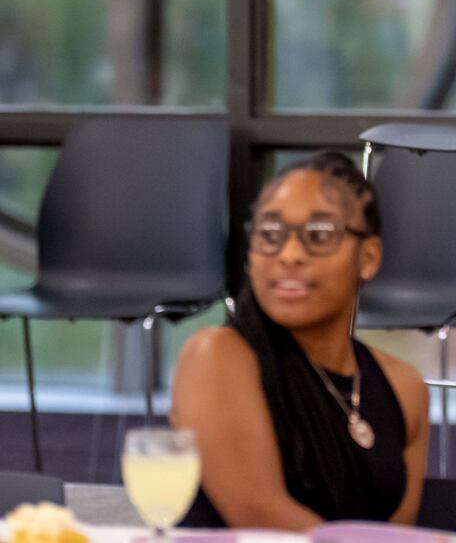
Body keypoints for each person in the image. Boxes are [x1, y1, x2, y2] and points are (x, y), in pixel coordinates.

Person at [171, 151, 429, 528]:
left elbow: (399, 534)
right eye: (270, 235)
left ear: (368, 257)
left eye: (320, 235)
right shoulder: (217, 355)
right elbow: (259, 517)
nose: (289, 255)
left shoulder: (406, 388)